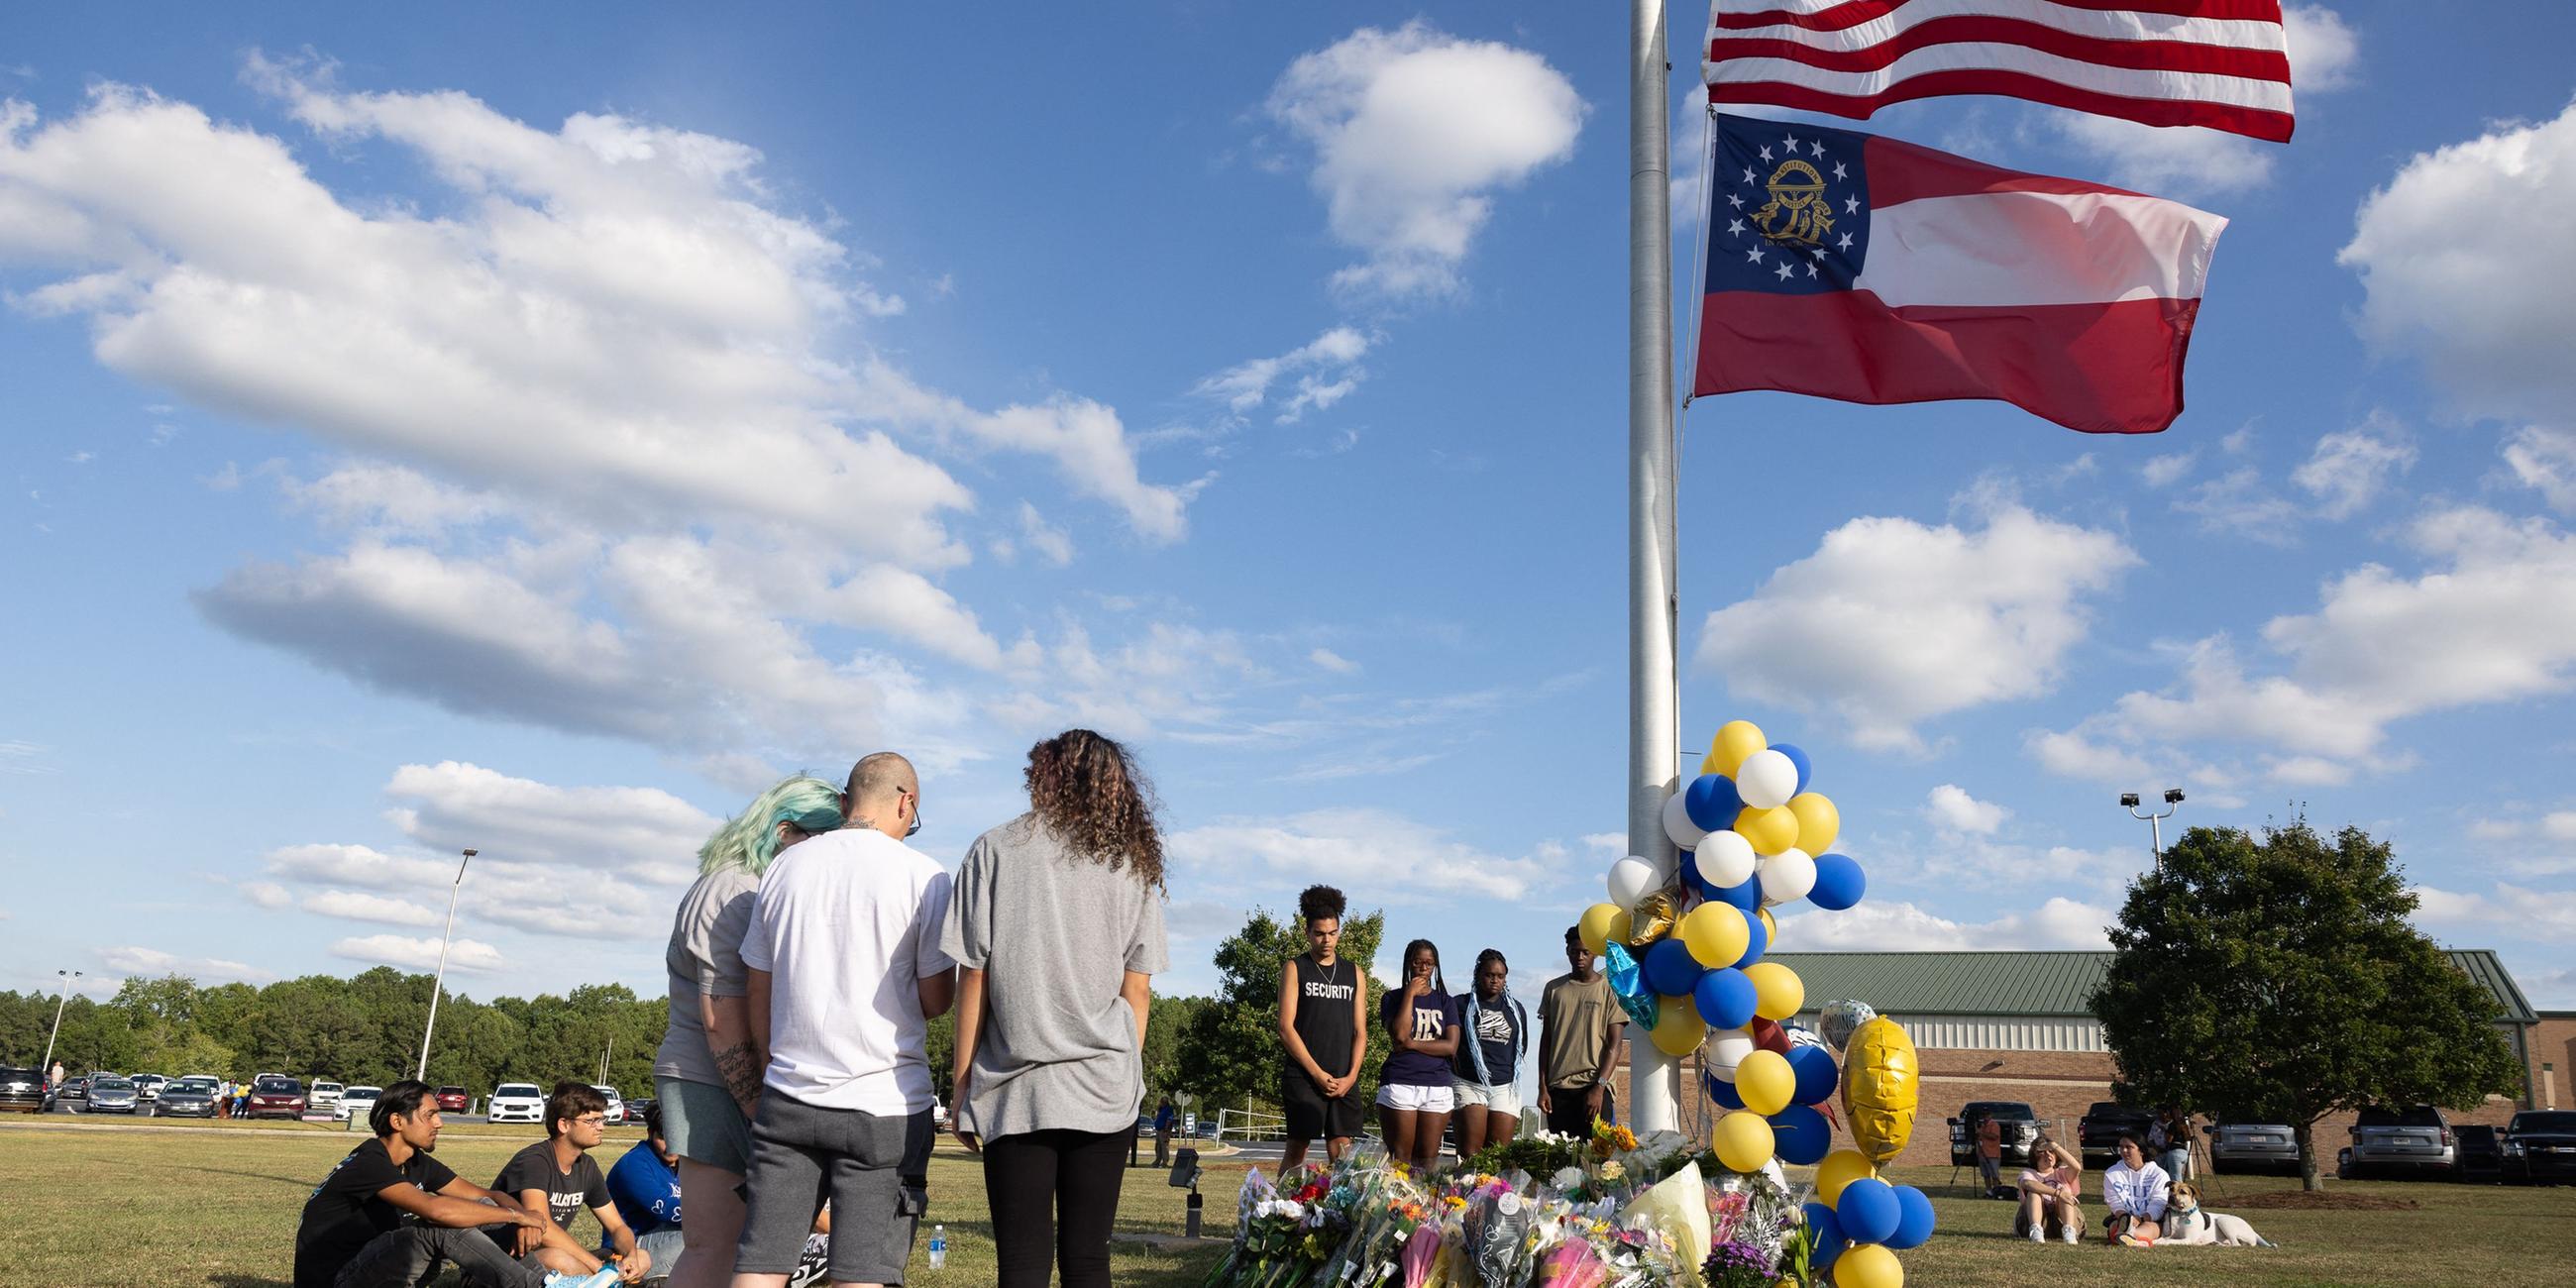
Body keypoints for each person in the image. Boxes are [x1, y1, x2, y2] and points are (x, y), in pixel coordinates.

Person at [942, 728, 1170, 1288]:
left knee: (1021, 1263)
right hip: (1105, 1087)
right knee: (1088, 1259)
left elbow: (974, 975)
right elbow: (1135, 991)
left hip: (1017, 1087)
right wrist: (1123, 1073)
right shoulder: (1132, 864)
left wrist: (961, 1082)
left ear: (1043, 773)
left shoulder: (994, 848)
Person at [732, 751, 956, 1288]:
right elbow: (935, 1000)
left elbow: (756, 983)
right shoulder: (925, 876)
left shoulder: (787, 865)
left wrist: (767, 1063)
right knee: (862, 1272)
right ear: (907, 803)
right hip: (885, 1103)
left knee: (762, 1263)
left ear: (843, 804)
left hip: (789, 1094)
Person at [653, 774, 842, 1288]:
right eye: (823, 839)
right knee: (716, 1246)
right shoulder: (735, 891)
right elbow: (722, 1018)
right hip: (710, 1082)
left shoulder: (748, 886)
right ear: (784, 831)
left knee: (738, 1248)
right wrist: (760, 1108)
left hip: (718, 1081)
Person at [291, 1080, 619, 1288]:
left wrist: (522, 1217)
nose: (440, 1122)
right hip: (337, 1279)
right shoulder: (371, 1161)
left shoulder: (415, 1160)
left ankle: (544, 1281)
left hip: (374, 1266)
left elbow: (487, 1195)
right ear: (397, 1121)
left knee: (483, 1209)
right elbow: (435, 1208)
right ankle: (541, 1286)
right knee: (440, 1224)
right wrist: (518, 1217)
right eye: (430, 1115)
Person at [486, 1081, 650, 1282]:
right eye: (592, 1121)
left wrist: (631, 1254)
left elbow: (617, 1227)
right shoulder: (535, 1161)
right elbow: (542, 1227)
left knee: (643, 1258)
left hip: (554, 1259)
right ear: (563, 1124)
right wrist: (597, 1267)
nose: (601, 1127)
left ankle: (600, 1282)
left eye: (602, 1119)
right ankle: (603, 1282)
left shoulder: (586, 1166)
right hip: (504, 1263)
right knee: (560, 1259)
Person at [1276, 884, 1367, 1172]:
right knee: (1296, 1150)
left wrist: (1351, 1077)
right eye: (1319, 933)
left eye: (1332, 933)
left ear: (1339, 931)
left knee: (1342, 1153)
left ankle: (1338, 1217)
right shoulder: (1295, 968)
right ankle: (1277, 1215)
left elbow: (1360, 1032)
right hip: (1304, 1076)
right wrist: (1316, 1074)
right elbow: (1285, 1027)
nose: (1326, 940)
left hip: (1343, 1077)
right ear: (1307, 933)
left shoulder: (1354, 972)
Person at [1376, 939, 1460, 1173]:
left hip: (1436, 1084)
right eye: (1418, 962)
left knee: (1427, 1158)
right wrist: (1410, 994)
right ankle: (1397, 1208)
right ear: (1408, 964)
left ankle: (1422, 1209)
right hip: (1401, 1081)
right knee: (1401, 1158)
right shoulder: (1392, 998)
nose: (1423, 968)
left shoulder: (1446, 1001)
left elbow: (1450, 1046)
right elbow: (1399, 1034)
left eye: (1429, 963)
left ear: (1435, 966)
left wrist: (1411, 1043)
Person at [1537, 926, 1626, 1139]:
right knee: (1562, 1164)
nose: (1580, 957)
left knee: (1596, 1162)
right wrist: (1542, 1087)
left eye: (1586, 952)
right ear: (1567, 951)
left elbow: (1615, 1045)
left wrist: (1600, 1087)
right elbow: (1546, 1041)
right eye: (1575, 951)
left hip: (1594, 1087)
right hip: (1558, 1088)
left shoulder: (1610, 988)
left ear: (1595, 953)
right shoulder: (1553, 989)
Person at [1449, 949, 1528, 1159]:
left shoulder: (1515, 1009)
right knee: (1471, 1155)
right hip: (1469, 1083)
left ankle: (1491, 1193)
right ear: (1477, 975)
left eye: (1500, 976)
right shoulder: (1460, 1004)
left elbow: (1521, 1046)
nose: (1495, 980)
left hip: (1504, 1086)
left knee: (1497, 1156)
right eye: (1489, 975)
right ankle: (1464, 1191)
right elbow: (1448, 1043)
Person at [2101, 1134, 2171, 1245]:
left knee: (2149, 1228)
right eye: (2121, 1147)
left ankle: (2130, 1238)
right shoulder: (2112, 1173)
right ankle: (2132, 1238)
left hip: (2149, 1220)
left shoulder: (2159, 1174)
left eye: (2129, 1147)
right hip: (2123, 1219)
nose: (2123, 1150)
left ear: (2141, 1151)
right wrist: (2126, 1218)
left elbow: (2158, 1203)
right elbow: (2114, 1202)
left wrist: (2140, 1219)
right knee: (2114, 1227)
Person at [2159, 1181, 2275, 1247]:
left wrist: (2166, 1242)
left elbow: (2189, 1241)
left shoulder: (2195, 1217)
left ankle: (2234, 1243)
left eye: (2182, 1193)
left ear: (2192, 1196)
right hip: (2221, 1238)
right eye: (2172, 1190)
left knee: (2223, 1221)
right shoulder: (2170, 1215)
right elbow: (2165, 1237)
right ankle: (2227, 1243)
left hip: (2244, 1235)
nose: (2174, 1195)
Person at [2013, 1138, 2085, 1244]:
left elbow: (2076, 1167)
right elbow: (2028, 1184)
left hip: (2062, 1220)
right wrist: (2058, 1193)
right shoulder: (2029, 1173)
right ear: (2034, 1156)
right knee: (2034, 1192)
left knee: (2065, 1193)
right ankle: (2036, 1231)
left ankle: (2069, 1232)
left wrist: (2055, 1146)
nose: (2048, 1155)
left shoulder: (2063, 1173)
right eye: (2042, 1152)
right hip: (2040, 1222)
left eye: (2051, 1151)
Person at [2153, 1108, 2194, 1183]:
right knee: (2177, 1174)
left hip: (2175, 1153)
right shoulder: (2184, 1125)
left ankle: (2179, 1192)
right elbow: (2187, 1138)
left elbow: (2169, 1139)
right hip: (2184, 1152)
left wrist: (2165, 1132)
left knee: (2175, 1177)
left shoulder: (2172, 1124)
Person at [1976, 1115, 2004, 1198]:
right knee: (1985, 1174)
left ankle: (1996, 1191)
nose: (1985, 1117)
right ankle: (1988, 1191)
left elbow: (1994, 1136)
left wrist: (1982, 1133)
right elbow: (1978, 1137)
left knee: (1994, 1174)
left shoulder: (1994, 1125)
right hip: (1982, 1153)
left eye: (1987, 1115)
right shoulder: (1982, 1125)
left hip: (1993, 1154)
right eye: (1984, 1114)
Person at [1152, 1098, 1177, 1168]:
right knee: (1158, 1146)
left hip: (1164, 1130)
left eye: (1161, 1102)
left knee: (1164, 1146)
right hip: (1159, 1130)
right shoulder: (1161, 1109)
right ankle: (1157, 1160)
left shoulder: (1169, 1109)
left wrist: (1166, 1130)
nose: (1159, 1103)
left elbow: (1169, 1119)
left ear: (1164, 1102)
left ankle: (1165, 1162)